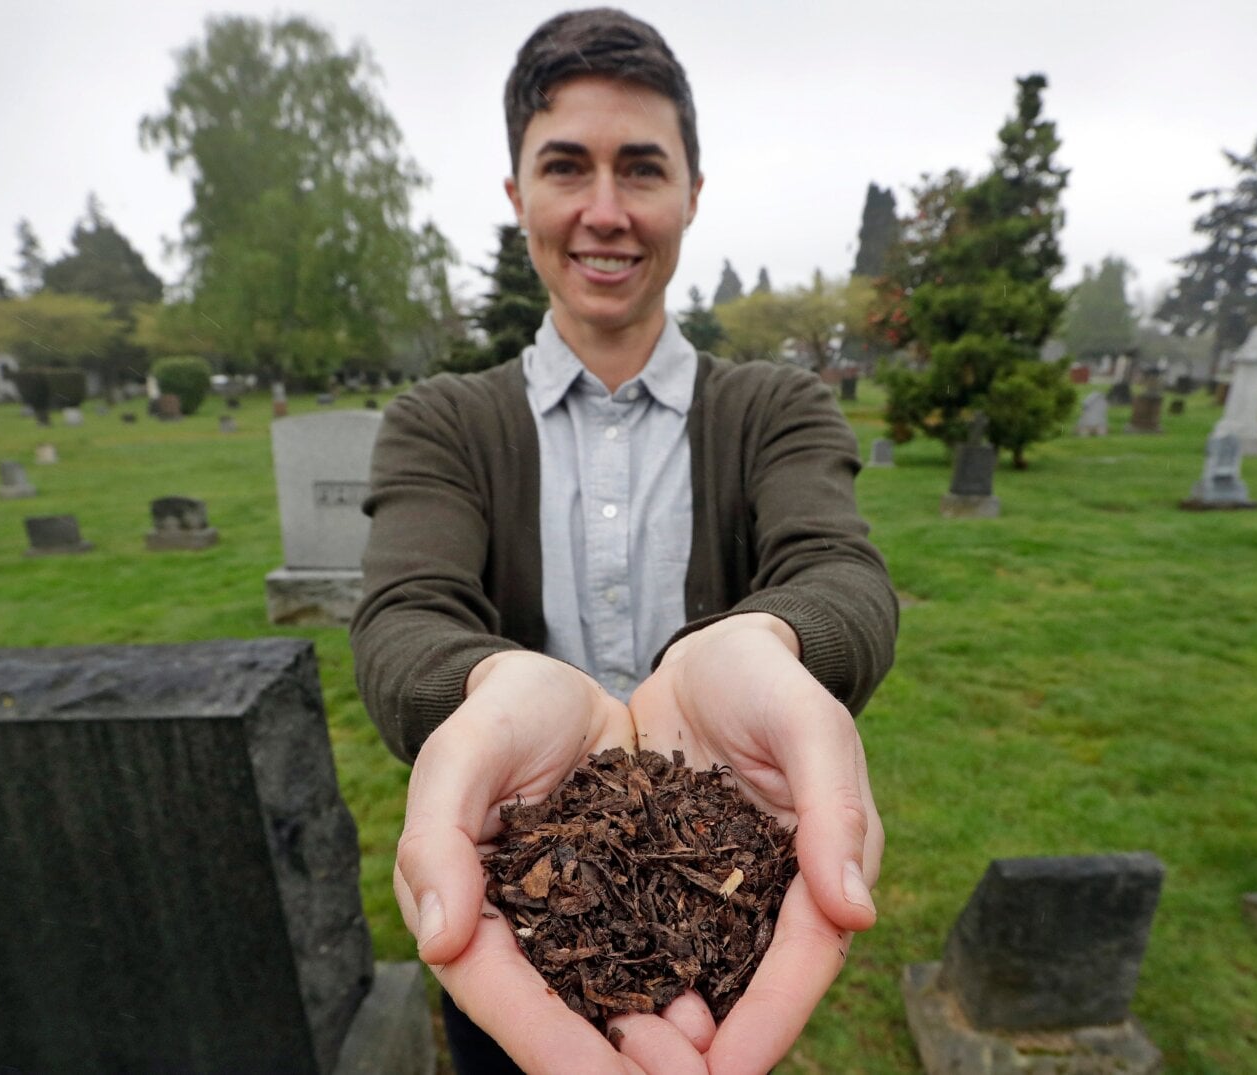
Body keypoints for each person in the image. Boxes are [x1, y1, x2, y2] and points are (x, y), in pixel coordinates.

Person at [350, 9, 896, 1073]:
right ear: (518, 197)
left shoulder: (775, 408)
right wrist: (489, 684)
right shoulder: (442, 423)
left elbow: (838, 569)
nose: (605, 212)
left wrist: (765, 646)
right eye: (567, 168)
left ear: (693, 191)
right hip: (517, 882)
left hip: (718, 926)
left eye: (642, 169)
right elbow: (405, 615)